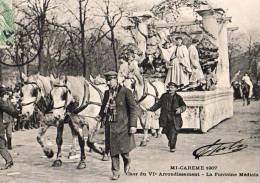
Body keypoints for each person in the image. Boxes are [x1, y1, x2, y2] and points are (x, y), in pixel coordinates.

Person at [97, 71, 137, 180]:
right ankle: (115, 172)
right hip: (110, 126)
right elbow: (103, 107)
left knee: (124, 152)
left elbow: (133, 109)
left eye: (110, 80)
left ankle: (127, 161)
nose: (108, 83)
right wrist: (100, 117)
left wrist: (133, 125)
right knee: (113, 150)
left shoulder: (126, 92)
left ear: (116, 80)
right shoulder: (106, 93)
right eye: (107, 81)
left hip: (123, 126)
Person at [148, 82, 186, 152]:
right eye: (169, 87)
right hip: (165, 118)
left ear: (176, 89)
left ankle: (172, 146)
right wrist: (151, 109)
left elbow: (184, 106)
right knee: (166, 131)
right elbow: (158, 104)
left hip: (174, 118)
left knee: (173, 132)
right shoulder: (164, 96)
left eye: (172, 88)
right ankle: (171, 141)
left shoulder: (178, 97)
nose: (170, 89)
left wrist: (180, 109)